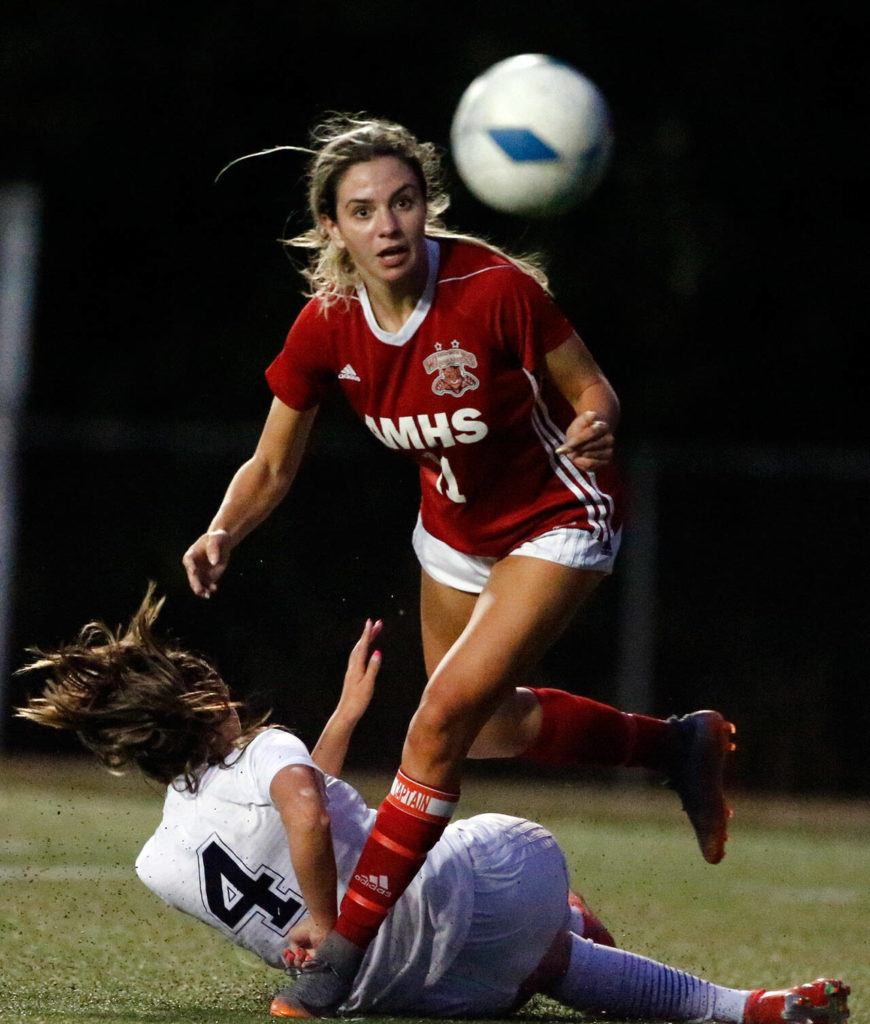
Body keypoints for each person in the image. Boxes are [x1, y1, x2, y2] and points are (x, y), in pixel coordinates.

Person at [181, 113, 736, 1014]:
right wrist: (222, 531)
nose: (388, 225)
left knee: (436, 721)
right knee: (486, 731)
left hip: (562, 511)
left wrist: (597, 421)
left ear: (426, 205)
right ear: (334, 228)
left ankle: (341, 955)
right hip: (454, 530)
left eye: (404, 202)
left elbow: (590, 386)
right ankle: (676, 744)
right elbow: (273, 463)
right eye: (364, 210)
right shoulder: (327, 325)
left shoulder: (493, 288)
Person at [16, 590, 848, 1024]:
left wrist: (342, 716)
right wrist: (324, 919)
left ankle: (739, 1009)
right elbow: (302, 808)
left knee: (544, 958)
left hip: (417, 991)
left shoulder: (156, 863)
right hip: (460, 909)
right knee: (521, 871)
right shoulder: (268, 757)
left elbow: (285, 811)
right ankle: (591, 929)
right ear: (199, 704)